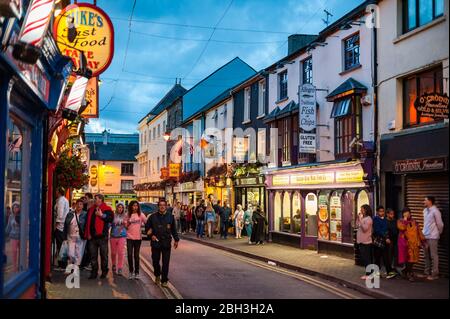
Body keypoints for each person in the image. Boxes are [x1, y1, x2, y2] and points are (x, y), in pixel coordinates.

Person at [145, 199, 180, 287]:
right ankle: (157, 275)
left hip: (166, 242)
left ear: (166, 206)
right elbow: (147, 229)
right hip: (155, 243)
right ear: (158, 206)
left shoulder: (170, 217)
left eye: (164, 205)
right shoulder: (152, 217)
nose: (162, 206)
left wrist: (176, 240)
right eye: (160, 205)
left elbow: (173, 230)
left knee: (166, 262)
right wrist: (151, 235)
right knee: (155, 261)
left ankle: (164, 280)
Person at [84, 194, 113, 280]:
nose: (94, 200)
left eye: (96, 199)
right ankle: (94, 272)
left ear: (101, 200)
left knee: (104, 256)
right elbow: (87, 223)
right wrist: (88, 233)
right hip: (92, 237)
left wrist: (101, 215)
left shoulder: (107, 209)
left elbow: (110, 218)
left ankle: (104, 271)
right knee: (93, 256)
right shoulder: (91, 210)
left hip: (102, 237)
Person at [397, 207, 426, 282]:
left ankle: (405, 271)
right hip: (406, 243)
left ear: (410, 213)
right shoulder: (400, 221)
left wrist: (423, 241)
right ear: (403, 214)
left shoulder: (414, 222)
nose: (406, 214)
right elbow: (402, 228)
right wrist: (405, 221)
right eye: (405, 213)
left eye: (408, 212)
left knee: (413, 260)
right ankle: (410, 273)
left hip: (414, 244)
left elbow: (419, 232)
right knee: (409, 259)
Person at [422, 196, 444, 280]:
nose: (424, 201)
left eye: (425, 200)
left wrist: (438, 233)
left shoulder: (436, 211)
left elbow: (440, 224)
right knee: (426, 255)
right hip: (425, 235)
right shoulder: (424, 211)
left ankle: (435, 274)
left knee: (433, 255)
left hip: (433, 236)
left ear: (430, 201)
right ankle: (426, 272)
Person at [124, 201, 147, 280]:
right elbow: (125, 226)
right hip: (129, 238)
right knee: (129, 255)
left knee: (136, 256)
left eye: (136, 206)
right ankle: (131, 272)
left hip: (138, 238)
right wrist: (129, 222)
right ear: (131, 207)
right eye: (134, 206)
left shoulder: (141, 214)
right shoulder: (127, 215)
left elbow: (147, 222)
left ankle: (137, 273)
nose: (135, 207)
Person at [63, 199, 87, 273]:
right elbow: (65, 225)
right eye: (78, 204)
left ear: (83, 206)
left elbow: (87, 225)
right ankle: (70, 266)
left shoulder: (85, 214)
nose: (79, 205)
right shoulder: (70, 214)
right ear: (75, 205)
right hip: (70, 236)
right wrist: (64, 236)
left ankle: (75, 268)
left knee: (78, 253)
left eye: (81, 204)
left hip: (80, 236)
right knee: (70, 253)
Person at [373, 206, 393, 278]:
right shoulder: (375, 219)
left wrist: (386, 237)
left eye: (383, 211)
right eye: (380, 211)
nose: (382, 213)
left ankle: (389, 272)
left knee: (386, 257)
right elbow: (377, 230)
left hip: (384, 240)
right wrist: (385, 236)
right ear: (377, 212)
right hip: (378, 240)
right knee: (377, 258)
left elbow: (385, 229)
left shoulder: (385, 219)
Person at [356, 204, 373, 280]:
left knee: (367, 259)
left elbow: (365, 229)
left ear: (366, 210)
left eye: (362, 209)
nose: (360, 210)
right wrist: (358, 219)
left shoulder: (368, 219)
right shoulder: (363, 218)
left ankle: (369, 274)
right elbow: (357, 225)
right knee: (365, 258)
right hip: (361, 241)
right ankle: (369, 273)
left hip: (366, 242)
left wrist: (360, 219)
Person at [54, 188, 69, 270]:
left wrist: (55, 225)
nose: (55, 192)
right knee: (62, 246)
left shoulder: (61, 201)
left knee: (60, 246)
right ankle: (62, 264)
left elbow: (60, 215)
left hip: (60, 227)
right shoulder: (64, 200)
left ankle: (62, 265)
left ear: (59, 192)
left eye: (56, 191)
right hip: (63, 226)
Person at [110, 203, 127, 276]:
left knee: (121, 252)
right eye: (119, 207)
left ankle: (120, 268)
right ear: (116, 208)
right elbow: (109, 224)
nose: (120, 209)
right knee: (113, 253)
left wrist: (125, 223)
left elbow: (128, 225)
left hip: (122, 236)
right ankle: (113, 264)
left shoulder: (125, 216)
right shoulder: (113, 215)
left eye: (122, 207)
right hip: (113, 236)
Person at [5, 202, 21, 272]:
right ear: (12, 208)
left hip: (21, 237)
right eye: (14, 207)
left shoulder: (21, 216)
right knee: (14, 252)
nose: (16, 209)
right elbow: (8, 227)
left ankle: (21, 267)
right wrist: (4, 233)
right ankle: (14, 268)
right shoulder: (11, 216)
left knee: (22, 253)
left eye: (17, 207)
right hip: (13, 237)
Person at [386, 208, 399, 278]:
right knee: (389, 255)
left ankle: (394, 268)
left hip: (395, 239)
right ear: (387, 214)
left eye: (393, 214)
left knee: (395, 254)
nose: (392, 215)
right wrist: (387, 238)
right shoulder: (385, 221)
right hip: (389, 240)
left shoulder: (395, 221)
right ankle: (389, 269)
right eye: (391, 214)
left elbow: (397, 229)